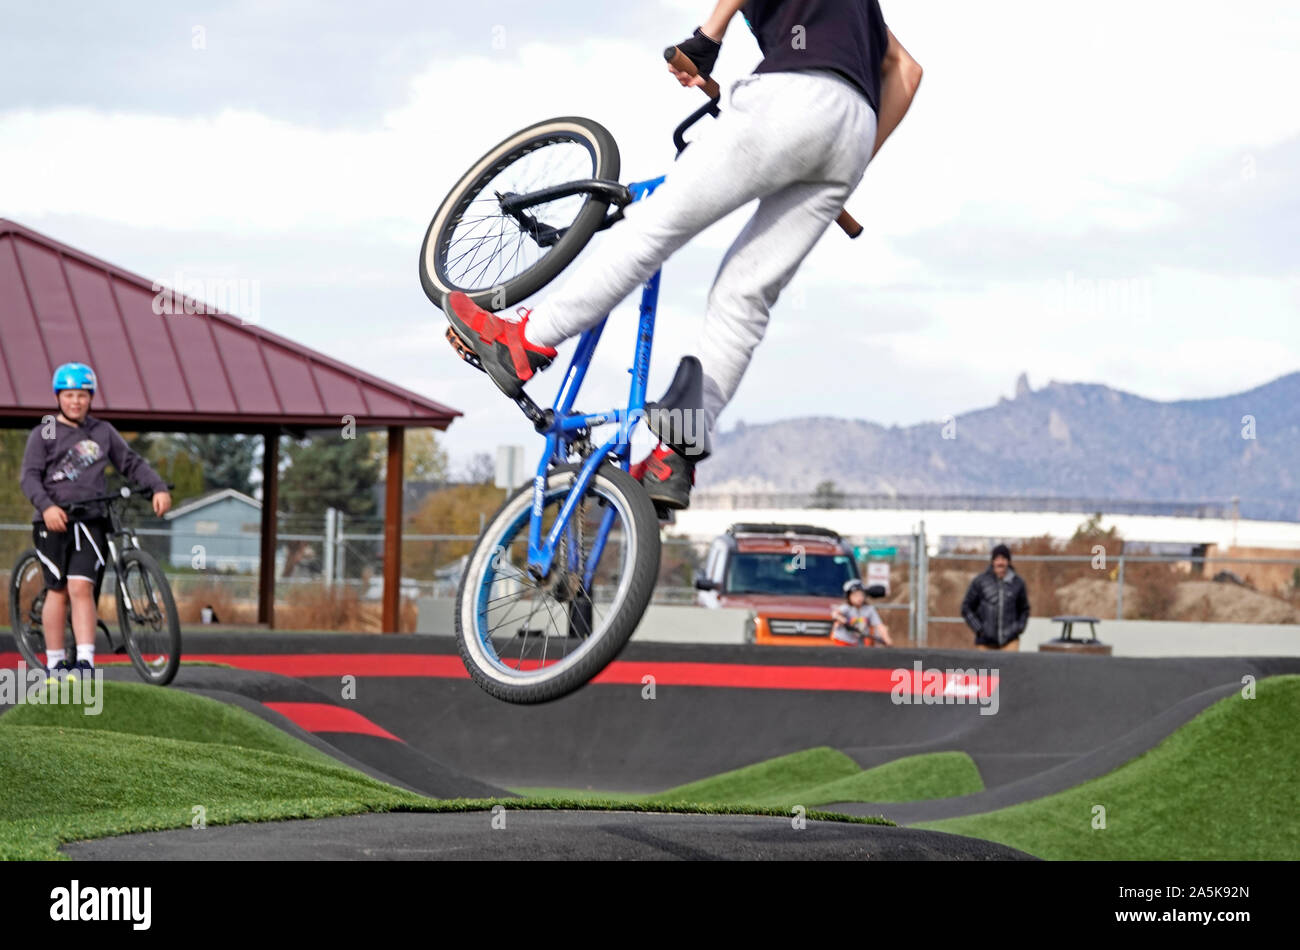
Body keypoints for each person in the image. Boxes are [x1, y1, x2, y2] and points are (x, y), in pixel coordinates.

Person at [440, 0, 922, 512]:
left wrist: (706, 38)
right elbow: (907, 72)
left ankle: (523, 342)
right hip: (851, 132)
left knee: (652, 227)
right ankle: (674, 454)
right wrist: (849, 158)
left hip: (790, 95)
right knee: (746, 297)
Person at [19, 362, 171, 680]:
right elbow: (30, 477)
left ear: (91, 397)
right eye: (70, 395)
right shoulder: (44, 431)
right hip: (54, 521)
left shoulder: (102, 431)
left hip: (91, 520)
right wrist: (47, 507)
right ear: (59, 397)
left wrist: (156, 486)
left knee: (82, 588)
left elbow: (131, 463)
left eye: (83, 395)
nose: (77, 401)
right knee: (58, 590)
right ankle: (56, 661)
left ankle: (85, 661)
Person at [961, 544, 1030, 652]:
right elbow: (966, 607)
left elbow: (1024, 609)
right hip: (985, 643)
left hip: (1010, 641)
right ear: (993, 561)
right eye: (997, 559)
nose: (1000, 562)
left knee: (1009, 668)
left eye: (1003, 558)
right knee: (986, 669)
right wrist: (979, 629)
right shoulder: (980, 581)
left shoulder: (1018, 583)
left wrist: (1018, 628)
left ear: (1008, 561)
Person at [831, 578, 892, 646]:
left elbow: (879, 625)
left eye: (861, 595)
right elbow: (835, 614)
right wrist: (842, 619)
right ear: (849, 597)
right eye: (855, 595)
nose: (859, 598)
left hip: (857, 642)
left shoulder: (869, 609)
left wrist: (886, 638)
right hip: (842, 641)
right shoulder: (847, 608)